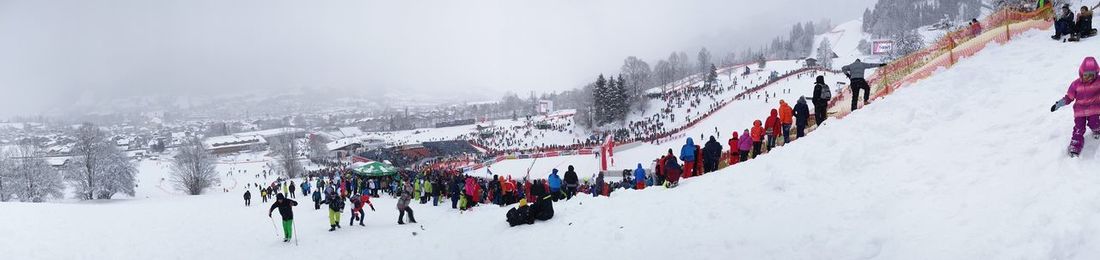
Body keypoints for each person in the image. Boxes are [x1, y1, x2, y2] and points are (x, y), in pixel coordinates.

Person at [1050, 57, 1100, 157]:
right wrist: (1059, 104)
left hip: (1094, 110)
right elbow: (1069, 97)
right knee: (1079, 128)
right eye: (1086, 75)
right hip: (1080, 112)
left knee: (1094, 123)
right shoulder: (1076, 84)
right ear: (1081, 73)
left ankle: (1097, 129)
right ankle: (1075, 145)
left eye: (1092, 75)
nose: (1089, 77)